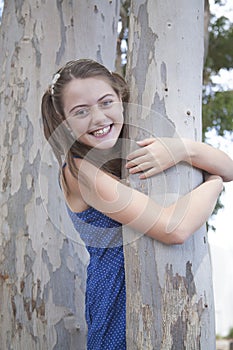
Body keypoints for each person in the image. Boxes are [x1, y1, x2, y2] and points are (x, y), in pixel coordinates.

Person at [41, 59, 233, 349]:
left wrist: (182, 149)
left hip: (155, 294)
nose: (97, 118)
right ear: (64, 123)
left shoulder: (120, 150)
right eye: (80, 112)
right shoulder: (81, 171)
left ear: (120, 99)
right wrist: (213, 183)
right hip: (118, 298)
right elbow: (173, 228)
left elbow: (230, 167)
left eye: (106, 102)